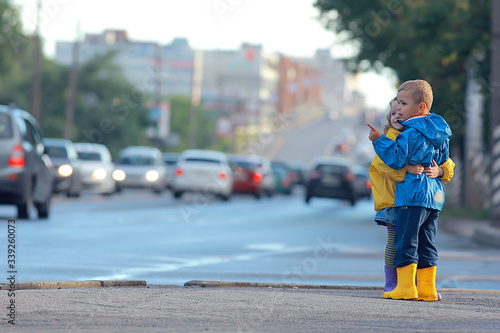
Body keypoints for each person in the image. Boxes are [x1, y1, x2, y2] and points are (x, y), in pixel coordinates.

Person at [367, 79, 452, 301]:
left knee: (406, 241)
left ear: (420, 107)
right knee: (427, 243)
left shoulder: (410, 133)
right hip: (433, 197)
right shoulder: (439, 130)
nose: (400, 110)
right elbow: (443, 159)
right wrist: (438, 170)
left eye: (403, 104)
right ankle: (427, 290)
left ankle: (405, 287)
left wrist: (379, 141)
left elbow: (395, 159)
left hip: (411, 194)